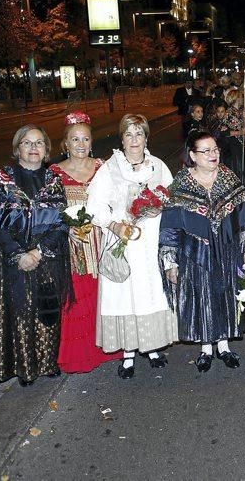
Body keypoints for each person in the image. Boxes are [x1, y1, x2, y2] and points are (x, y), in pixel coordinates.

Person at [0, 125, 71, 386]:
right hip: (11, 260)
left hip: (47, 257)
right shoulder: (2, 180)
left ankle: (47, 362)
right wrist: (19, 254)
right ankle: (24, 368)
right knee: (19, 311)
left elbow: (62, 223)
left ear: (46, 150)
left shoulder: (54, 181)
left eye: (39, 143)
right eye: (27, 143)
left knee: (47, 310)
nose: (33, 148)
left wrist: (39, 251)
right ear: (17, 147)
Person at [86, 114, 176, 379]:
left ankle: (152, 348)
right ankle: (128, 354)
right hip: (123, 240)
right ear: (122, 139)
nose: (134, 139)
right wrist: (115, 226)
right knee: (124, 295)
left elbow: (171, 201)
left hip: (151, 242)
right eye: (129, 134)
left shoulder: (158, 166)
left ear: (146, 137)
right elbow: (95, 206)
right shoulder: (110, 169)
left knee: (151, 293)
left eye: (139, 133)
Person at [159, 131, 245, 372]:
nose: (213, 154)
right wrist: (170, 261)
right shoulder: (180, 185)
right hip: (194, 252)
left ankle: (224, 345)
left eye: (215, 149)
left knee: (226, 295)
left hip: (227, 250)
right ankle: (206, 348)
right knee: (201, 297)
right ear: (193, 155)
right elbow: (170, 225)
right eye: (206, 151)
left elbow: (243, 217)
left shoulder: (229, 178)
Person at [50, 112, 122, 373]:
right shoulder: (54, 174)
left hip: (102, 240)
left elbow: (119, 201)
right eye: (74, 139)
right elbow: (47, 212)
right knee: (78, 297)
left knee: (106, 294)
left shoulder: (104, 167)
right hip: (73, 245)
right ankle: (82, 354)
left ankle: (111, 347)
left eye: (85, 139)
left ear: (92, 142)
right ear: (65, 144)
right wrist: (66, 229)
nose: (80, 144)